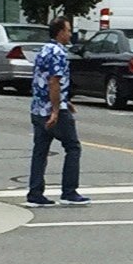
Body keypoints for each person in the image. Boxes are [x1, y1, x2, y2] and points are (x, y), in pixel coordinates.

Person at [26, 11, 89, 207]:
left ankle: (35, 193)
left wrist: (64, 99)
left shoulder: (43, 50)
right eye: (68, 30)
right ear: (60, 32)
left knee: (40, 151)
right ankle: (69, 192)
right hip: (53, 110)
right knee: (73, 147)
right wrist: (56, 109)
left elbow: (42, 80)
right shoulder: (59, 53)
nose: (70, 34)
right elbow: (54, 82)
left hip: (37, 108)